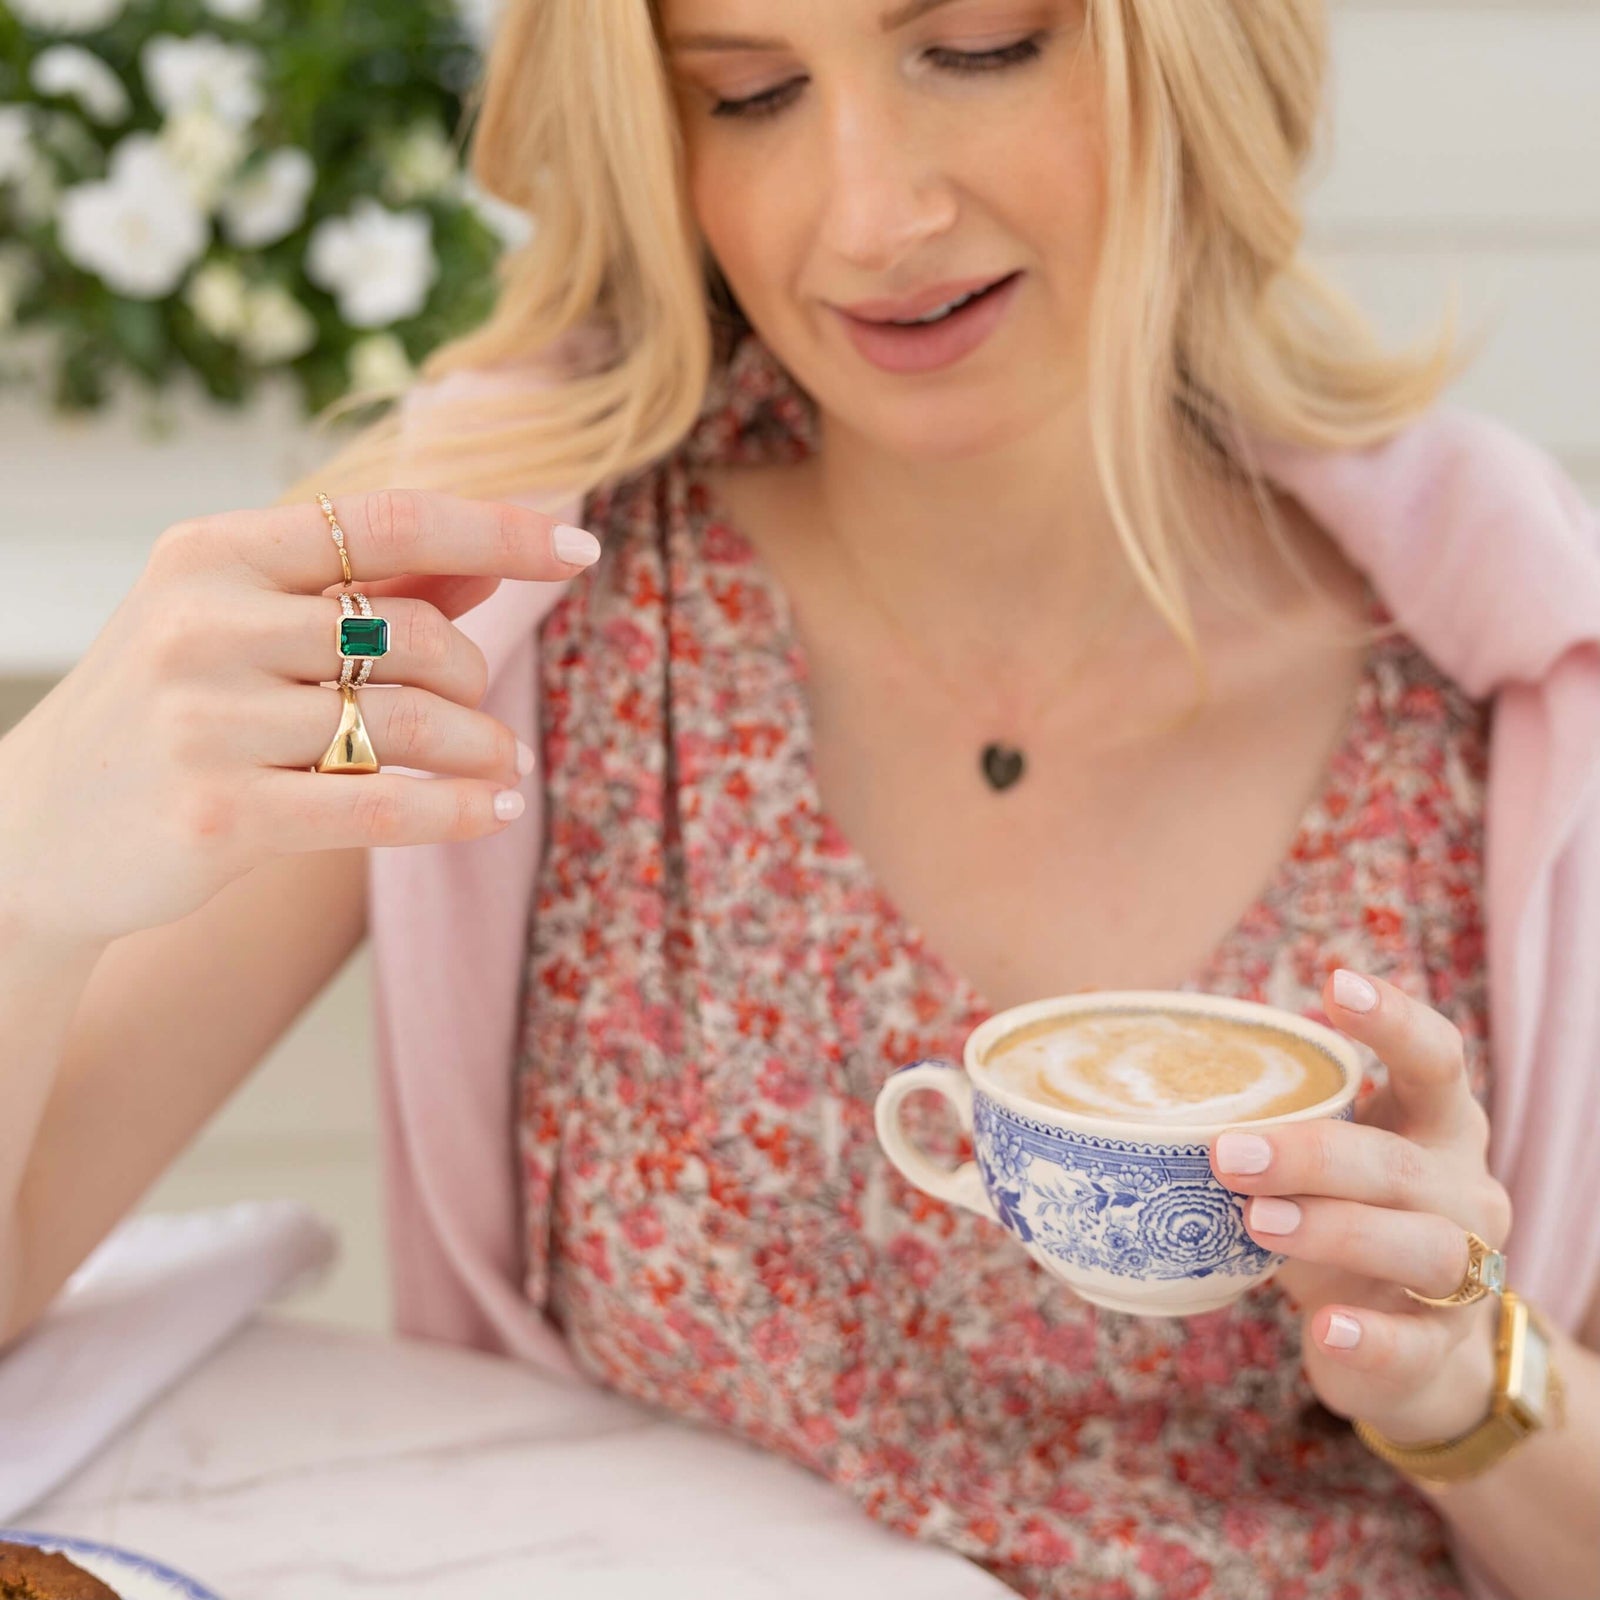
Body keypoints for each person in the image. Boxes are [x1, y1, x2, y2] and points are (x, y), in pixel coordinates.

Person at [0, 2, 1596, 1597]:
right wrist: (29, 858)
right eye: (748, 94)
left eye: (978, 48)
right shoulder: (513, 596)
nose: (871, 216)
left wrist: (1470, 1391)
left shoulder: (1521, 699)